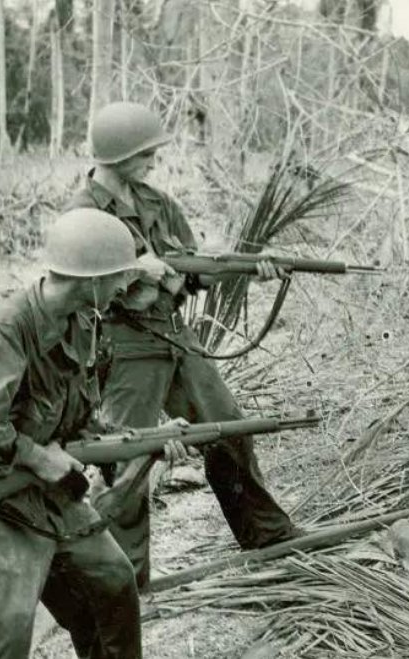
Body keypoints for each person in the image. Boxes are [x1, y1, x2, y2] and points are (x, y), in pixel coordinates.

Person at [65, 101, 300, 590]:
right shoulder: (82, 214)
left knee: (230, 428)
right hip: (121, 345)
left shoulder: (157, 203)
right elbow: (77, 286)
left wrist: (245, 269)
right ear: (116, 154)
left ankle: (267, 536)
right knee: (128, 456)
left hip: (173, 335)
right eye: (145, 152)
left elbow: (195, 269)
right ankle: (126, 580)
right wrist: (136, 271)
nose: (153, 160)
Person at [0, 209, 148, 658]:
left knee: (114, 585)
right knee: (6, 631)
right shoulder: (8, 327)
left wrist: (140, 441)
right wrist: (40, 458)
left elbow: (79, 416)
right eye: (118, 277)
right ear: (91, 279)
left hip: (52, 494)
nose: (123, 287)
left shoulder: (85, 323)